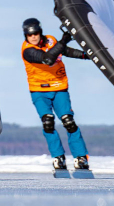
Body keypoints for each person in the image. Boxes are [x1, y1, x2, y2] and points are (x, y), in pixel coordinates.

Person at [20, 17, 91, 174]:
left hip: (59, 88)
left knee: (69, 122)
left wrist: (87, 55)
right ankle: (58, 157)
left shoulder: (51, 41)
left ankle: (81, 157)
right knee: (48, 122)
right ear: (25, 35)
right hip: (39, 91)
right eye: (29, 35)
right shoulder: (27, 51)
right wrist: (64, 40)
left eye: (36, 33)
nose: (33, 37)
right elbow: (47, 59)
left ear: (40, 32)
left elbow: (64, 51)